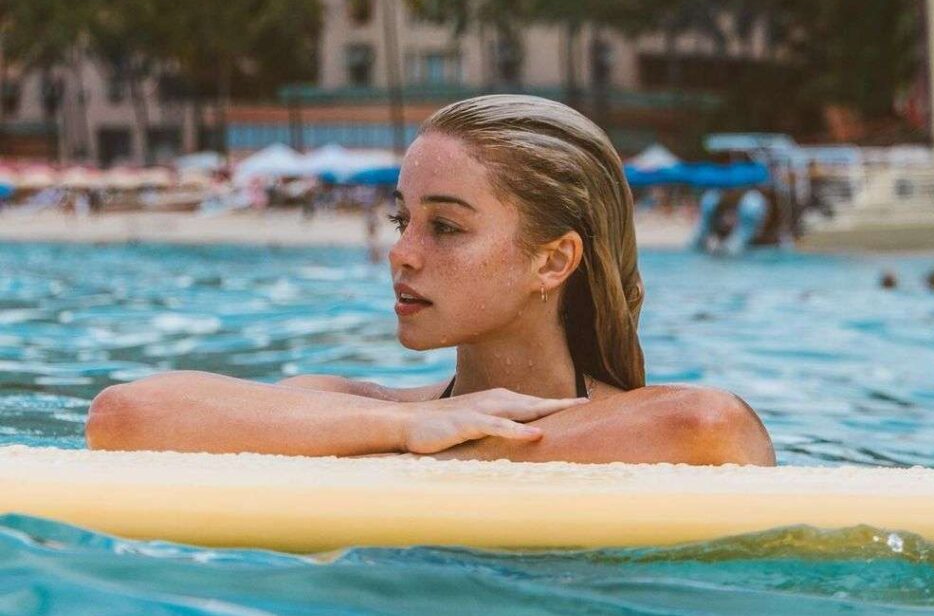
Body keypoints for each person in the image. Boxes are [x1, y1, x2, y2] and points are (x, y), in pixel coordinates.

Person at [85, 95, 774, 466]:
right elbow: (124, 415)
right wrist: (410, 423)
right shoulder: (373, 408)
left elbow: (710, 426)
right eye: (401, 217)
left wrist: (442, 441)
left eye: (445, 227)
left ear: (554, 261)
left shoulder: (669, 425)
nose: (401, 253)